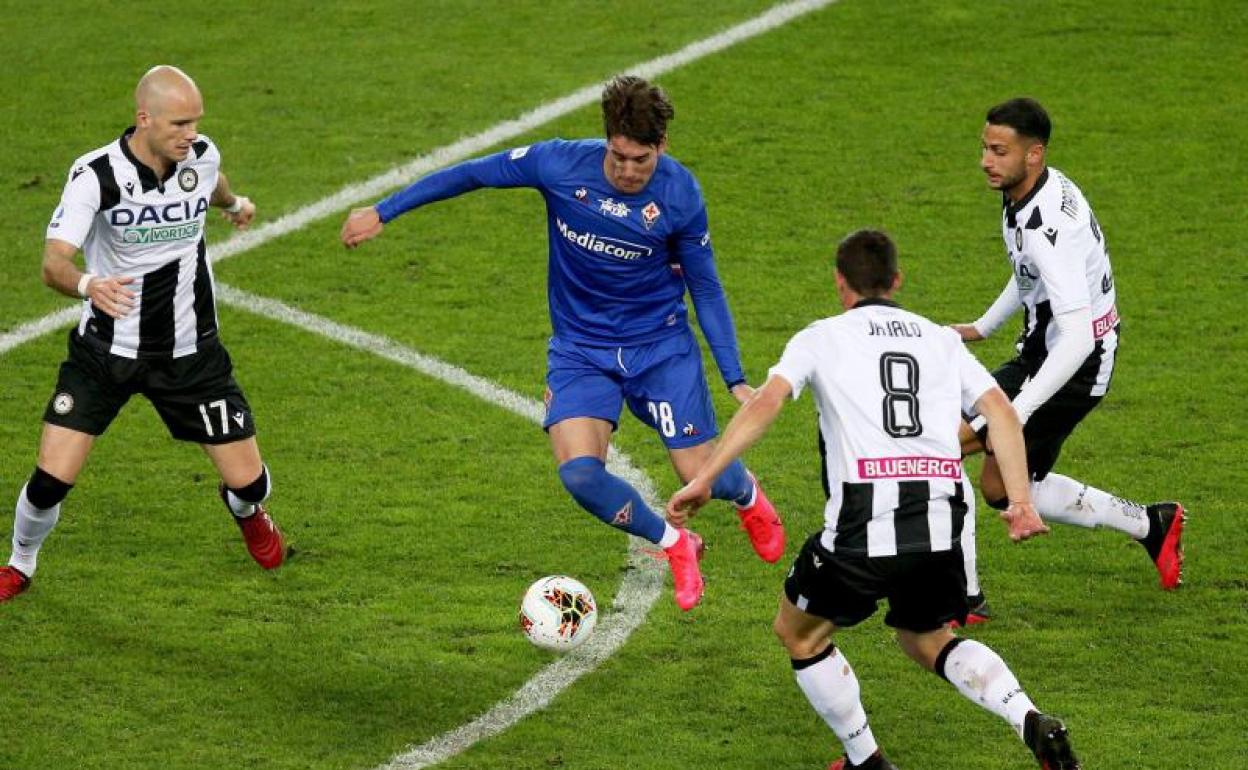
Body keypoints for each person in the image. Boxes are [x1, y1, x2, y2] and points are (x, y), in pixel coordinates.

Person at [340, 75, 784, 611]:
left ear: (662, 147)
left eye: (641, 160)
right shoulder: (558, 164)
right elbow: (473, 173)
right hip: (581, 348)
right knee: (579, 474)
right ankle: (675, 543)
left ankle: (749, 496)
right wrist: (383, 210)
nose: (627, 171)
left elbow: (705, 285)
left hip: (658, 347)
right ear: (606, 141)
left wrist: (734, 377)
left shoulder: (681, 194)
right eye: (618, 156)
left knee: (698, 474)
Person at [669, 230, 1081, 769]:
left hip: (863, 524)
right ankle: (1029, 718)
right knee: (927, 638)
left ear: (840, 283)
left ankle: (867, 761)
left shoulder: (821, 337)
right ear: (896, 280)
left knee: (798, 634)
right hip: (941, 519)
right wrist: (1021, 501)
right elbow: (1001, 411)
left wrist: (705, 477)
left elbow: (766, 402)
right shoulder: (940, 339)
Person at [0, 65, 286, 603]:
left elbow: (213, 182)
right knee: (49, 482)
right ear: (144, 119)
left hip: (192, 354)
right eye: (179, 124)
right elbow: (53, 264)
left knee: (251, 483)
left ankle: (246, 510)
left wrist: (235, 204)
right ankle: (20, 563)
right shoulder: (95, 175)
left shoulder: (200, 156)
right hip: (105, 353)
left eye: (196, 122)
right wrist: (88, 284)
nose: (191, 134)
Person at [953, 97, 1185, 622]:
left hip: (1073, 366)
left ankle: (964, 599)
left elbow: (1078, 336)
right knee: (997, 487)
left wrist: (1015, 412)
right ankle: (1150, 524)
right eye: (985, 148)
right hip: (1045, 352)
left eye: (999, 151)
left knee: (944, 446)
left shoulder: (1046, 227)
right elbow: (1027, 269)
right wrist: (983, 326)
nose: (986, 161)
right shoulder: (1032, 191)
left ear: (1033, 154)